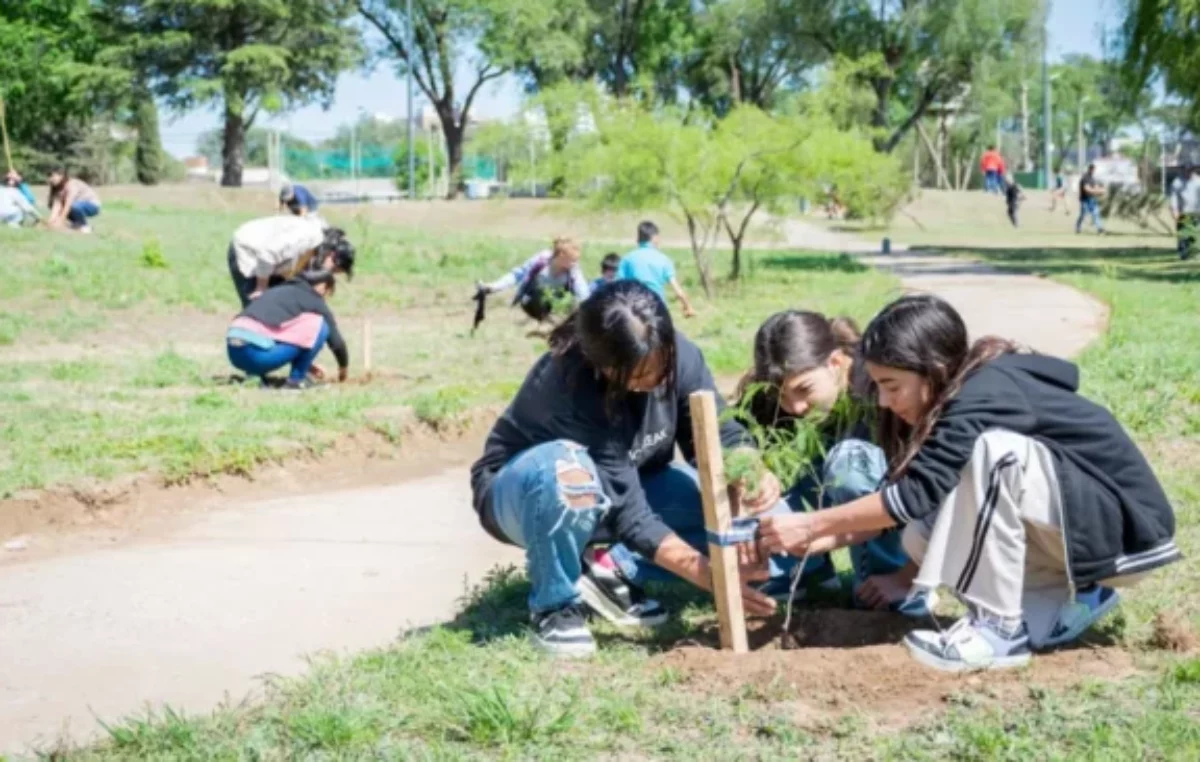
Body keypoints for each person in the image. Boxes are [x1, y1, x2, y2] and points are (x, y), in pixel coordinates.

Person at [758, 295, 1179, 672]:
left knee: (994, 453)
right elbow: (917, 503)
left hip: (1127, 536)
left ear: (933, 370)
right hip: (1079, 536)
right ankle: (1078, 596)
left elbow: (912, 495)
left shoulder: (983, 391)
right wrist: (821, 540)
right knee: (921, 535)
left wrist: (813, 524)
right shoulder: (956, 394)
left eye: (891, 386)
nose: (883, 401)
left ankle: (996, 630)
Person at [469, 281, 780, 656]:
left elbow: (716, 433)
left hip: (628, 484)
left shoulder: (683, 357)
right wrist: (708, 575)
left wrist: (749, 468)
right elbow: (629, 512)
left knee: (756, 529)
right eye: (633, 377)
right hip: (525, 494)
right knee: (566, 474)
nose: (650, 383)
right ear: (598, 362)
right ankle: (555, 607)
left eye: (658, 368)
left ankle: (605, 567)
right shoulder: (569, 384)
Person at [734, 310, 927, 613]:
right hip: (827, 504)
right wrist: (750, 472)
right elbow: (736, 441)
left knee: (849, 464)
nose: (795, 407)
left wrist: (909, 575)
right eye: (781, 395)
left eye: (804, 390)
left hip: (892, 504)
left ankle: (886, 582)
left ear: (836, 363)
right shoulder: (770, 394)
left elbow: (925, 490)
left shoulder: (881, 387)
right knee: (765, 476)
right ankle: (808, 573)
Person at [225, 265, 349, 390]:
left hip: (234, 351)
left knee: (265, 330)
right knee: (321, 326)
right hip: (258, 356)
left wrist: (308, 364)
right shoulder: (314, 299)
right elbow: (336, 342)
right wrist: (343, 368)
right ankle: (296, 380)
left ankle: (254, 374)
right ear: (323, 287)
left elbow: (281, 336)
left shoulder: (277, 290)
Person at [228, 216, 353, 308]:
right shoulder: (305, 239)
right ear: (332, 255)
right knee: (258, 306)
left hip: (272, 262)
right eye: (334, 270)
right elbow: (267, 253)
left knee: (282, 304)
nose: (329, 272)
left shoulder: (320, 247)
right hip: (249, 250)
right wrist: (262, 287)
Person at [476, 237, 590, 322]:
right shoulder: (542, 260)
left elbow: (583, 294)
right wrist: (493, 287)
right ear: (561, 255)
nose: (575, 263)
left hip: (556, 305)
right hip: (531, 301)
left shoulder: (573, 270)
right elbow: (517, 275)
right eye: (572, 260)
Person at [616, 221, 696, 318]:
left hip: (633, 309)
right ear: (655, 238)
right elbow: (678, 292)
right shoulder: (664, 260)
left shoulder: (627, 259)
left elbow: (617, 287)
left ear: (638, 239)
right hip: (657, 308)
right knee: (676, 334)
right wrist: (688, 307)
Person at [45, 168, 101, 232]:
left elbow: (68, 205)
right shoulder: (58, 188)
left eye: (52, 176)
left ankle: (83, 226)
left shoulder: (71, 184)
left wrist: (60, 221)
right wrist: (50, 221)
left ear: (61, 176)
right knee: (56, 207)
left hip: (92, 206)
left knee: (73, 206)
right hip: (76, 206)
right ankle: (76, 225)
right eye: (49, 176)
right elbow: (57, 206)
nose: (50, 179)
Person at [1169, 164, 1200, 261]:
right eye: (1186, 170)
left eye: (1190, 170)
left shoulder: (1198, 181)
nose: (1188, 172)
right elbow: (1173, 198)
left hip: (1196, 213)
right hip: (1183, 213)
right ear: (1183, 170)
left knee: (1195, 234)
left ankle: (1195, 255)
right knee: (1183, 235)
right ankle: (1184, 255)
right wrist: (1174, 211)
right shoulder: (1177, 182)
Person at [1076, 164, 1106, 235]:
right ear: (1090, 169)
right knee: (1083, 214)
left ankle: (1100, 228)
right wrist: (1099, 191)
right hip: (1085, 199)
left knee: (1096, 213)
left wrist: (1101, 190)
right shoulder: (1085, 178)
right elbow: (1087, 189)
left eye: (1094, 170)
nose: (1094, 171)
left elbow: (1095, 187)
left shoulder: (1092, 178)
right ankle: (1078, 227)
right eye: (1093, 169)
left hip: (1092, 198)